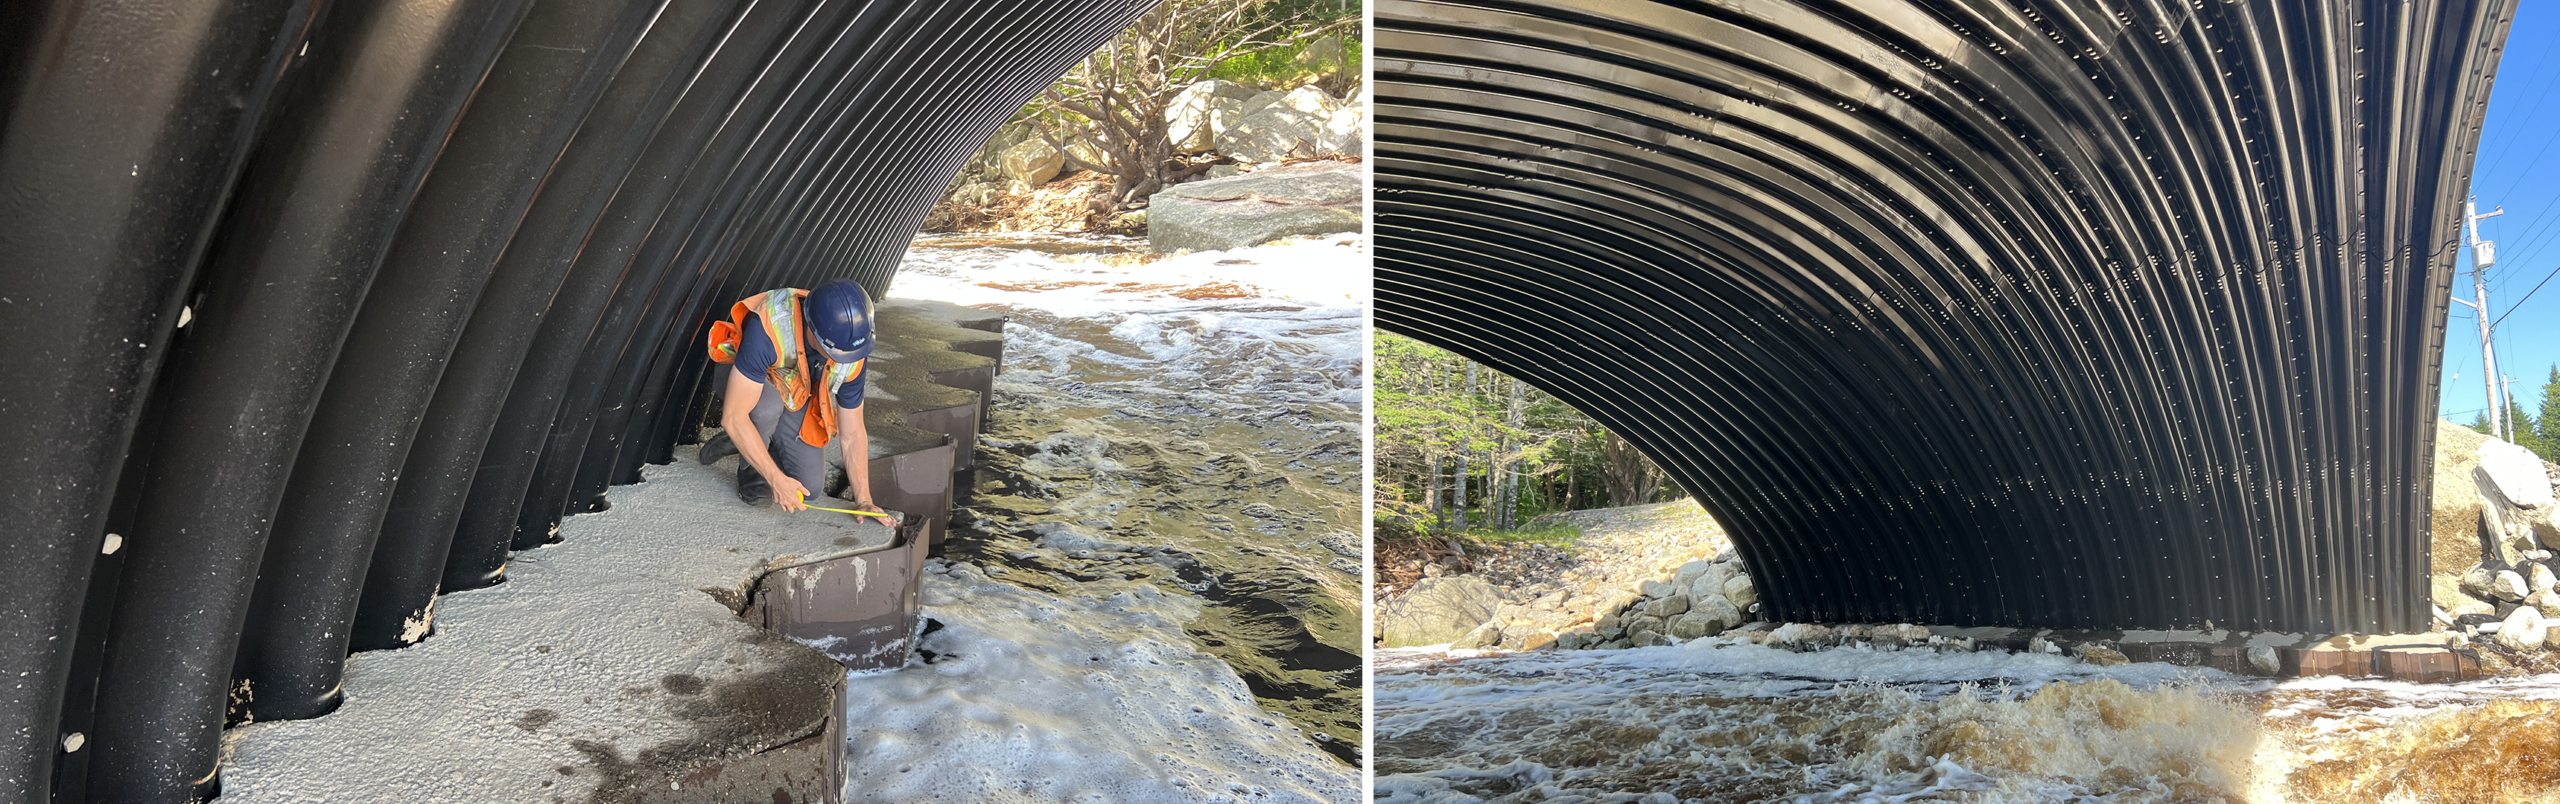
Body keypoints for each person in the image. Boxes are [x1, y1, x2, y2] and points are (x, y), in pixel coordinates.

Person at [702, 278, 892, 526]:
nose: (844, 360)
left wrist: (864, 499)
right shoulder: (770, 326)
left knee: (808, 488)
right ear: (813, 330)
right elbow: (734, 416)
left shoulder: (852, 350)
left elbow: (853, 433)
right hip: (747, 385)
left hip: (794, 390)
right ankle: (750, 468)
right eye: (836, 354)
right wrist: (775, 479)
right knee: (764, 408)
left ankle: (751, 439)